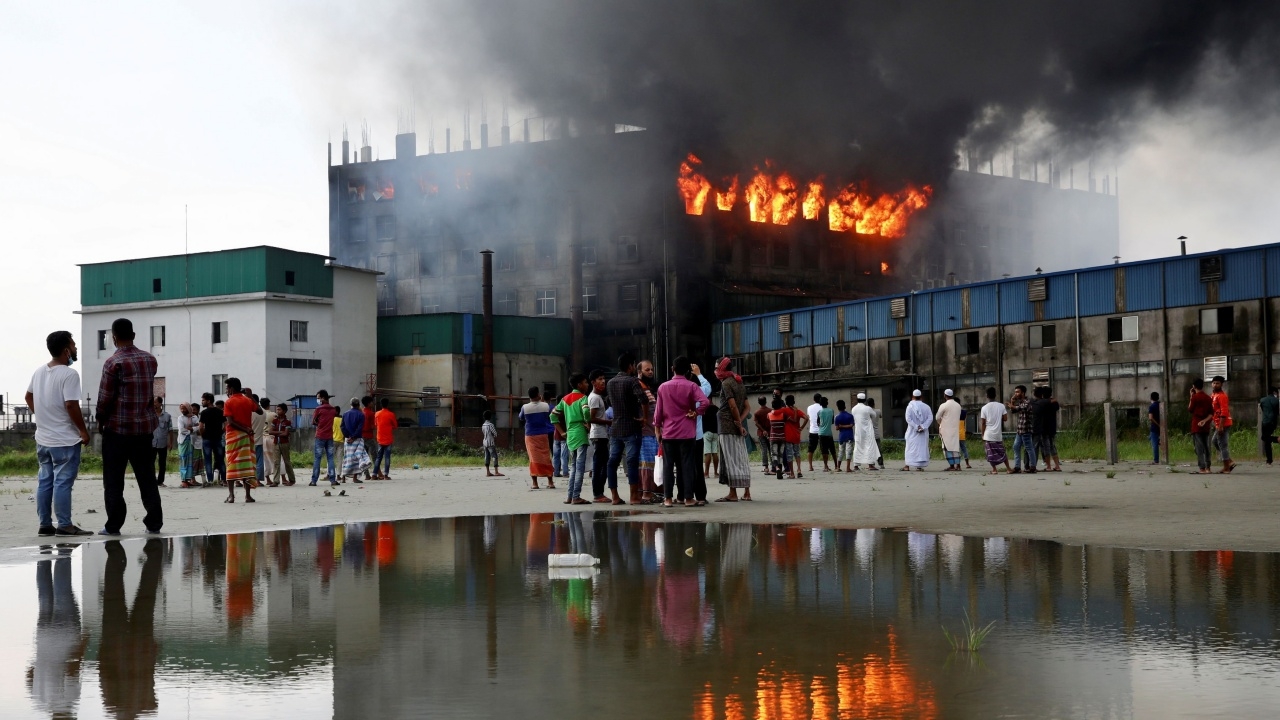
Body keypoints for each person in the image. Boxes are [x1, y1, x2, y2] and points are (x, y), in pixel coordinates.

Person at [94, 318, 163, 536]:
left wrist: (100, 419)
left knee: (114, 481)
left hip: (117, 430)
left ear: (114, 338)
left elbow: (105, 397)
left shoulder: (113, 363)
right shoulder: (150, 360)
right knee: (147, 478)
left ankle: (113, 525)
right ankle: (154, 522)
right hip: (143, 430)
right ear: (133, 335)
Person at [25, 330, 93, 536]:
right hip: (64, 439)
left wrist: (43, 415)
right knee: (63, 482)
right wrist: (83, 430)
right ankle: (65, 524)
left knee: (45, 481)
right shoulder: (69, 374)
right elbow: (71, 404)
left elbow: (28, 397)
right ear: (66, 350)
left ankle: (45, 524)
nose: (75, 348)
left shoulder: (39, 372)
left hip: (43, 438)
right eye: (73, 345)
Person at [653, 355, 709, 507]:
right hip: (687, 433)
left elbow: (658, 412)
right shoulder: (692, 386)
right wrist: (696, 412)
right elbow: (705, 401)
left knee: (668, 466)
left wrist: (657, 429)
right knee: (687, 465)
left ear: (673, 369)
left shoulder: (662, 387)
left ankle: (668, 499)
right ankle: (689, 498)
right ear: (687, 371)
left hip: (669, 433)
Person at [607, 352, 649, 503]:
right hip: (632, 426)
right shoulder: (632, 381)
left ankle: (614, 497)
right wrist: (644, 418)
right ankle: (634, 496)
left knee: (612, 461)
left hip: (616, 427)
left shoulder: (610, 382)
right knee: (632, 461)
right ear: (631, 366)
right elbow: (644, 400)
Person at [550, 373, 592, 505]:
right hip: (580, 433)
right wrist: (588, 423)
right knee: (579, 467)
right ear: (579, 385)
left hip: (570, 435)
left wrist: (562, 432)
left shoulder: (565, 399)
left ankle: (570, 496)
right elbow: (586, 412)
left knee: (573, 466)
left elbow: (553, 416)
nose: (587, 384)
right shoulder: (583, 398)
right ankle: (576, 496)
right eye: (585, 382)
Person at [715, 356, 753, 501]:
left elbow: (732, 406)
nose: (715, 370)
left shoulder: (726, 383)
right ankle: (747, 492)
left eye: (716, 367)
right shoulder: (739, 381)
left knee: (730, 458)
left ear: (722, 368)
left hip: (726, 425)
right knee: (741, 457)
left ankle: (733, 494)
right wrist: (740, 422)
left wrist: (737, 422)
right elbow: (747, 407)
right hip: (736, 424)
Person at [221, 378, 258, 503]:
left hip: (233, 437)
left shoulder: (228, 402)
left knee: (231, 464)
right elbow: (259, 410)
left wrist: (245, 429)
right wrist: (251, 396)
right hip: (247, 437)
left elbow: (230, 422)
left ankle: (231, 496)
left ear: (231, 388)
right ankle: (247, 495)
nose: (226, 390)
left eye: (227, 388)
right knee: (247, 464)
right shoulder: (248, 401)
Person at [586, 370, 618, 502]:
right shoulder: (594, 398)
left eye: (604, 378)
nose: (603, 381)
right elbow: (591, 418)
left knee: (602, 464)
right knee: (600, 465)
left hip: (601, 434)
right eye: (600, 379)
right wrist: (608, 422)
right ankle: (598, 494)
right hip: (598, 435)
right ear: (593, 382)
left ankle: (599, 492)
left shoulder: (597, 397)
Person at [519, 386, 557, 490]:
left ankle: (535, 483)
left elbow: (521, 417)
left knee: (533, 458)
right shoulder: (546, 406)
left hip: (530, 435)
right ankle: (550, 482)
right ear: (538, 395)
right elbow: (552, 415)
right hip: (543, 434)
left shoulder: (525, 407)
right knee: (546, 457)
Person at [636, 361, 661, 502]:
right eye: (647, 370)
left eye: (651, 369)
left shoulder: (648, 388)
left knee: (652, 463)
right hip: (645, 432)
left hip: (653, 432)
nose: (650, 372)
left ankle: (650, 492)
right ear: (639, 371)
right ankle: (646, 493)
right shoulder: (639, 387)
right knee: (647, 463)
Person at [979, 387, 1013, 474]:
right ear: (995, 395)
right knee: (1002, 451)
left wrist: (982, 434)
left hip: (989, 434)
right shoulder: (1001, 406)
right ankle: (1008, 468)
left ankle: (994, 469)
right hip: (998, 434)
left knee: (990, 453)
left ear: (987, 396)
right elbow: (1005, 418)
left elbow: (983, 423)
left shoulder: (984, 408)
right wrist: (997, 417)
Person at [310, 390, 339, 487]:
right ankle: (333, 480)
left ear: (322, 398)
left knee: (317, 458)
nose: (317, 400)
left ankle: (314, 480)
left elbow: (313, 422)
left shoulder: (318, 409)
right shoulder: (333, 409)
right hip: (329, 436)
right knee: (330, 458)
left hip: (320, 436)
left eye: (318, 398)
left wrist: (319, 423)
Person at [340, 398, 372, 482]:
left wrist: (348, 436)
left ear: (351, 405)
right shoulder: (361, 415)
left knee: (346, 457)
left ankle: (343, 477)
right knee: (356, 457)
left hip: (347, 440)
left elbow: (342, 426)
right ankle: (355, 477)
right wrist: (353, 437)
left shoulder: (345, 414)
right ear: (358, 405)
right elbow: (360, 428)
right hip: (357, 439)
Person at [1006, 385, 1037, 474]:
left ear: (1023, 393)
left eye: (1018, 392)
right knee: (1016, 447)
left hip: (1026, 429)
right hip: (1020, 430)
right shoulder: (1020, 402)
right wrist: (1012, 402)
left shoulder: (1027, 402)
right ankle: (1017, 467)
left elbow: (1021, 408)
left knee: (1029, 448)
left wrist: (1012, 405)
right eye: (1015, 392)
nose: (1016, 394)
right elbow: (1014, 411)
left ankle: (1032, 466)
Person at [1032, 386, 1062, 472]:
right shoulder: (1054, 403)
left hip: (1043, 427)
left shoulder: (1041, 403)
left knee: (1045, 447)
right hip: (1052, 427)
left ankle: (1048, 466)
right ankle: (1057, 465)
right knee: (1052, 446)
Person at [198, 393, 226, 486]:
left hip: (207, 439)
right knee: (220, 460)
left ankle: (210, 480)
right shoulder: (220, 411)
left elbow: (201, 427)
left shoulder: (204, 413)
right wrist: (221, 432)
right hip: (218, 438)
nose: (202, 402)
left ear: (208, 401)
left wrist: (203, 435)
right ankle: (223, 479)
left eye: (203, 400)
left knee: (208, 460)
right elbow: (226, 425)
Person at [265, 402, 296, 486]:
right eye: (277, 409)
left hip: (284, 443)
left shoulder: (287, 422)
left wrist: (276, 433)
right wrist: (280, 432)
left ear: (284, 411)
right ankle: (276, 481)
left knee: (287, 462)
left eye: (279, 409)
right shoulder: (275, 421)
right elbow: (270, 431)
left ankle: (292, 479)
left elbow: (286, 434)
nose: (277, 411)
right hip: (276, 443)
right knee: (276, 462)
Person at [1188, 379, 1214, 473]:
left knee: (1199, 447)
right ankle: (1208, 467)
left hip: (1196, 424)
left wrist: (1191, 396)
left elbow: (1190, 409)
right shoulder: (1208, 398)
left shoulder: (1195, 397)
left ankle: (1202, 467)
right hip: (1206, 424)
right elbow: (1211, 413)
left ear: (1194, 387)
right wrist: (1205, 421)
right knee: (1206, 446)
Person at [902, 389, 931, 471]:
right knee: (921, 448)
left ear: (912, 397)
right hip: (923, 432)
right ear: (921, 397)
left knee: (910, 448)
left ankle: (907, 466)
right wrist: (923, 426)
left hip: (912, 431)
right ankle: (919, 466)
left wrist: (916, 426)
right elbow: (930, 418)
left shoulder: (909, 407)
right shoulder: (927, 407)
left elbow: (908, 419)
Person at [1210, 375, 1235, 473]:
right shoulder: (1213, 395)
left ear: (1221, 385)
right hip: (1217, 423)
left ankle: (1227, 467)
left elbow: (1224, 412)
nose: (1215, 385)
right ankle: (1229, 461)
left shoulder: (1222, 396)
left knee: (1222, 444)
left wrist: (1220, 426)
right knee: (1215, 441)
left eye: (1218, 383)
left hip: (1223, 423)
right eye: (1214, 383)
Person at [936, 389, 963, 471]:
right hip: (955, 429)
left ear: (945, 395)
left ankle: (952, 466)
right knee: (955, 447)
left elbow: (937, 417)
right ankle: (958, 465)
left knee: (947, 447)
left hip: (945, 430)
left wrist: (941, 423)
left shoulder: (943, 405)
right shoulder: (958, 405)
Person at [852, 393, 880, 471]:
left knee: (858, 447)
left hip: (858, 431)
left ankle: (856, 465)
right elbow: (874, 415)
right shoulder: (868, 408)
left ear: (857, 399)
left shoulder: (853, 409)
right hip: (868, 431)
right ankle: (870, 465)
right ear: (865, 400)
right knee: (869, 446)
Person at [374, 398, 397, 479]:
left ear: (381, 404)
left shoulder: (377, 414)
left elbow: (376, 424)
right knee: (387, 457)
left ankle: (374, 474)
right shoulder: (391, 414)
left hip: (380, 438)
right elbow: (395, 426)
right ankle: (386, 475)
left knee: (378, 457)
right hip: (388, 439)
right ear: (388, 404)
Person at [151, 398, 172, 486]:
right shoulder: (150, 414)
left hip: (162, 443)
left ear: (160, 403)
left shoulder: (167, 416)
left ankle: (160, 481)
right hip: (151, 443)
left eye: (155, 402)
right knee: (150, 462)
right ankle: (151, 480)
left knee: (162, 463)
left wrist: (171, 442)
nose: (154, 404)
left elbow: (170, 430)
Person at [767, 398, 791, 478]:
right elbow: (788, 420)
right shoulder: (783, 415)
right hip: (782, 436)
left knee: (774, 454)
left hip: (773, 437)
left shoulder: (769, 414)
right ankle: (780, 469)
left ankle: (776, 468)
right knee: (780, 454)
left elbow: (768, 420)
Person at [176, 402, 198, 488]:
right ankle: (183, 480)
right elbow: (182, 430)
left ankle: (188, 479)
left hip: (191, 441)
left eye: (184, 408)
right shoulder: (180, 418)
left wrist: (192, 428)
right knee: (183, 459)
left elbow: (198, 427)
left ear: (188, 408)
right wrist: (191, 430)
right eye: (181, 408)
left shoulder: (194, 417)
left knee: (190, 460)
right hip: (183, 441)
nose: (182, 410)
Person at [785, 395, 806, 477]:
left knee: (789, 454)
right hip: (796, 435)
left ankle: (792, 473)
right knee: (797, 453)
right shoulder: (797, 410)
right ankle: (799, 469)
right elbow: (806, 418)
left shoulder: (785, 411)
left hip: (788, 436)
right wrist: (801, 428)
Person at [250, 395, 268, 485]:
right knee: (259, 461)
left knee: (249, 461)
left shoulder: (250, 412)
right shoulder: (263, 412)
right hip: (259, 439)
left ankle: (246, 479)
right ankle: (258, 480)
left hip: (249, 440)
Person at [1260, 388, 1279, 466]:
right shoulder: (1277, 400)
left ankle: (1269, 460)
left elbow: (1263, 409)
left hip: (1265, 422)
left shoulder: (1262, 400)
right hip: (1273, 422)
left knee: (1265, 438)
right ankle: (1269, 460)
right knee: (1266, 439)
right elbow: (1277, 412)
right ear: (1275, 393)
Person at [702, 396, 720, 479]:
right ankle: (716, 472)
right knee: (715, 453)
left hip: (707, 432)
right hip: (715, 432)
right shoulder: (717, 409)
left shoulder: (704, 409)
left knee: (707, 453)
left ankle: (706, 473)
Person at [834, 399, 854, 472]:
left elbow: (836, 428)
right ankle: (848, 467)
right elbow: (851, 425)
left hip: (842, 436)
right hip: (849, 435)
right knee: (848, 451)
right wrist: (846, 426)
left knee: (841, 451)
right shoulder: (850, 416)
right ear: (845, 406)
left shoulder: (837, 417)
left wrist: (841, 426)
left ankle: (838, 467)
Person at [816, 396, 836, 471]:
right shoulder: (831, 410)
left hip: (821, 433)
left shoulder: (819, 412)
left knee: (824, 451)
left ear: (820, 404)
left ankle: (825, 466)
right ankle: (836, 465)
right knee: (832, 450)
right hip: (829, 433)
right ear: (827, 403)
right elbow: (832, 422)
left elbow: (818, 423)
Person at [753, 396, 773, 472]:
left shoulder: (757, 412)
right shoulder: (770, 411)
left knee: (764, 450)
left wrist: (763, 430)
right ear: (766, 401)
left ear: (759, 402)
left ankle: (766, 467)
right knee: (771, 449)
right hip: (770, 432)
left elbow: (756, 423)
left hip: (761, 433)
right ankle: (773, 466)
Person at [361, 396, 377, 482]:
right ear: (368, 403)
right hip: (369, 436)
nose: (373, 403)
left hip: (362, 436)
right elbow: (371, 426)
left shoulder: (361, 412)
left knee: (364, 456)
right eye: (372, 402)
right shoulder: (371, 413)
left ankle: (366, 474)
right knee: (374, 455)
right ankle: (377, 472)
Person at [481, 410, 501, 477]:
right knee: (494, 456)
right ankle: (496, 471)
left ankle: (488, 472)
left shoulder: (483, 425)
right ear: (490, 417)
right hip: (491, 442)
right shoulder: (491, 425)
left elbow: (483, 432)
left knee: (487, 457)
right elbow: (495, 434)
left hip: (485, 442)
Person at [806, 393, 823, 472]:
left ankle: (810, 466)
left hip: (812, 430)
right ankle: (825, 466)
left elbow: (809, 417)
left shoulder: (809, 407)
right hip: (822, 431)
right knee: (824, 448)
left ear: (814, 399)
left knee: (810, 449)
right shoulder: (823, 408)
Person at [866, 397, 884, 468]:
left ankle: (871, 463)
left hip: (868, 433)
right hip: (876, 433)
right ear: (874, 404)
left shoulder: (866, 412)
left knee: (870, 449)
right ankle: (881, 464)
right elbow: (880, 416)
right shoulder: (878, 411)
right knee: (879, 449)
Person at [1147, 391, 1163, 465]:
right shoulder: (1161, 405)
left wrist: (1157, 424)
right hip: (1162, 427)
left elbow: (1150, 418)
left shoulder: (1152, 406)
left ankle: (1156, 460)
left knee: (1154, 444)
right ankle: (1159, 441)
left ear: (1151, 398)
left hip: (1154, 427)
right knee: (1151, 438)